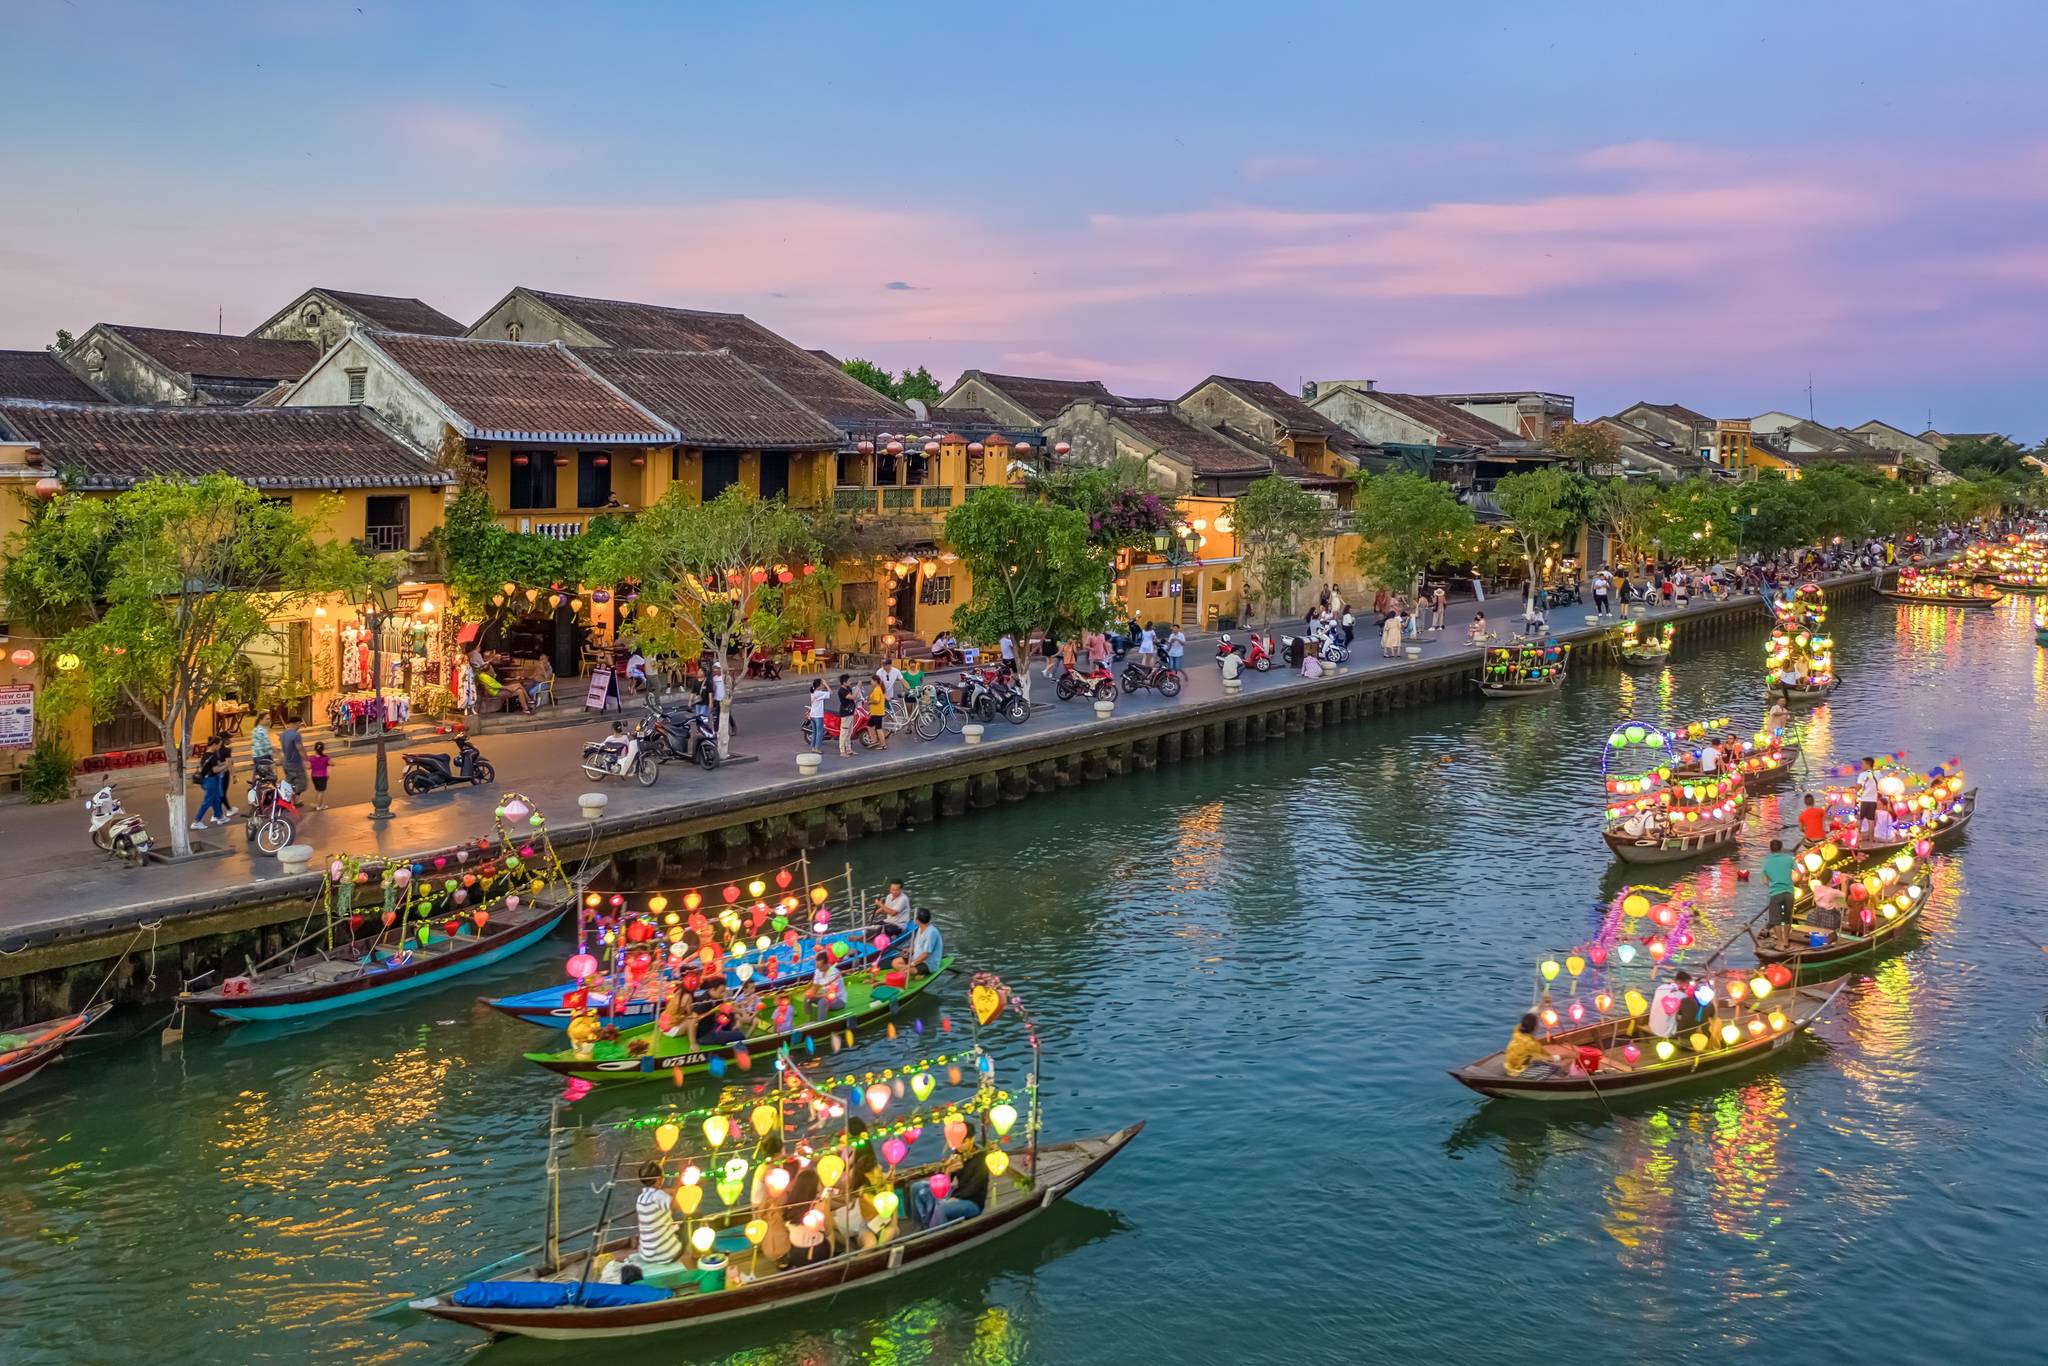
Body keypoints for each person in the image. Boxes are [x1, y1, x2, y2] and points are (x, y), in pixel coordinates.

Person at [911, 1134, 989, 1229]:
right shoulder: (957, 1154)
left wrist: (956, 1198)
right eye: (958, 1142)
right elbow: (944, 1182)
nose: (959, 1146)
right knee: (917, 1187)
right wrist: (947, 1170)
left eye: (963, 1142)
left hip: (972, 1202)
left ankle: (935, 1234)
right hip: (956, 1192)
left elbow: (974, 1187)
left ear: (972, 1139)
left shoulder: (982, 1159)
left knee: (942, 1208)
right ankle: (923, 1226)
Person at [750, 1138, 794, 1263]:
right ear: (776, 1154)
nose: (785, 1151)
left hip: (766, 1202)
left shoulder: (769, 1164)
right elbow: (778, 1193)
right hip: (762, 1208)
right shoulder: (768, 1170)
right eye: (783, 1148)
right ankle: (781, 1245)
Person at [634, 1160, 685, 1268]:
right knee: (693, 1220)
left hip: (646, 1254)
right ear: (658, 1179)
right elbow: (680, 1206)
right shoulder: (659, 1197)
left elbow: (660, 1194)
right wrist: (679, 1183)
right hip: (665, 1255)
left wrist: (670, 1191)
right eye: (663, 1175)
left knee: (675, 1228)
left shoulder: (641, 1198)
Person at [782, 1165, 830, 1267]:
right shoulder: (818, 1206)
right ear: (815, 1186)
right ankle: (830, 1262)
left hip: (796, 1254)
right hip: (816, 1253)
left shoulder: (790, 1205)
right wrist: (827, 1206)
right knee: (831, 1235)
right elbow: (829, 1230)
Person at [1503, 1011, 1573, 1078]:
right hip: (1516, 1070)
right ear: (1534, 1027)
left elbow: (1530, 1016)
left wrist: (1542, 1003)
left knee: (1540, 1062)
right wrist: (1568, 1055)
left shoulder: (1517, 1030)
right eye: (1537, 1024)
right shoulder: (1531, 1044)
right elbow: (1549, 1057)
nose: (1539, 1025)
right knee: (1552, 1069)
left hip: (1510, 1064)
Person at [1761, 837, 1799, 948]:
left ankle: (1780, 942)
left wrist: (1773, 884)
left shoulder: (1767, 862)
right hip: (1789, 892)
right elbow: (1799, 874)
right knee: (1787, 918)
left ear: (1770, 849)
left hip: (1775, 893)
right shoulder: (1789, 859)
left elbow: (1764, 881)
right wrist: (1791, 882)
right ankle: (1786, 940)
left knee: (1776, 920)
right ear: (1781, 848)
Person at [192, 736, 230, 828]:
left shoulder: (207, 754)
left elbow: (214, 765)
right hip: (211, 780)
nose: (219, 747)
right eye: (219, 745)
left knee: (216, 798)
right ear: (214, 745)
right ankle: (197, 821)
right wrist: (226, 766)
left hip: (208, 779)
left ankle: (219, 816)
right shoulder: (211, 756)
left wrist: (223, 764)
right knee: (208, 800)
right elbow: (215, 770)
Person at [904, 907, 943, 978]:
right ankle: (915, 972)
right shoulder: (920, 928)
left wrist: (912, 964)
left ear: (918, 921)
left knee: (907, 971)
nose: (913, 919)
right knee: (895, 962)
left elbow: (926, 954)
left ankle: (920, 973)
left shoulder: (931, 932)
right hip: (916, 958)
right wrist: (909, 950)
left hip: (928, 962)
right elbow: (917, 946)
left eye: (914, 918)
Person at [1854, 758, 1881, 837]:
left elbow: (1858, 787)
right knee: (1871, 821)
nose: (1861, 766)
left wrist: (1853, 788)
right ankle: (1871, 839)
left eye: (1862, 764)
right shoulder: (1878, 774)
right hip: (1873, 800)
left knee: (1859, 820)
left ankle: (1857, 838)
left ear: (1867, 764)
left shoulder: (1862, 775)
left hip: (1862, 800)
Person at [835, 673, 856, 758]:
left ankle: (848, 749)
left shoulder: (848, 688)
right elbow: (852, 697)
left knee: (849, 732)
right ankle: (842, 750)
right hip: (845, 713)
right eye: (849, 681)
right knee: (844, 732)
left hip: (851, 712)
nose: (850, 682)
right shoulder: (842, 691)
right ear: (844, 682)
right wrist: (858, 687)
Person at [806, 679, 828, 753]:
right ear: (819, 686)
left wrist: (823, 684)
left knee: (814, 732)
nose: (823, 685)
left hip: (813, 714)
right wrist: (826, 684)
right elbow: (831, 692)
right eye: (822, 684)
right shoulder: (819, 693)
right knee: (820, 732)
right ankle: (817, 748)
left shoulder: (813, 692)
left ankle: (813, 747)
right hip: (818, 715)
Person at [307, 741, 331, 811]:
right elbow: (332, 763)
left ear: (315, 749)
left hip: (314, 776)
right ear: (323, 749)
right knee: (321, 791)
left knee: (318, 790)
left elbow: (309, 767)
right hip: (322, 776)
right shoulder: (326, 758)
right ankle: (319, 806)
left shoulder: (311, 758)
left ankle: (317, 803)